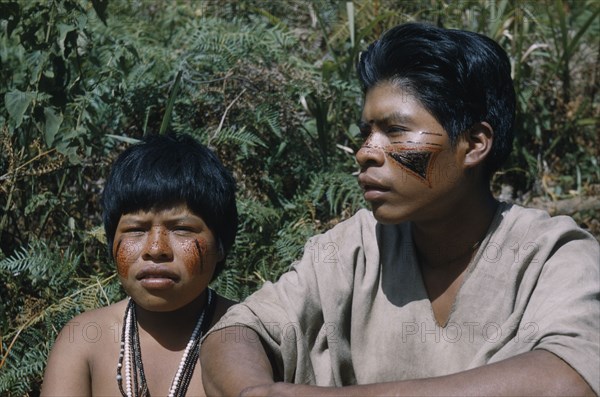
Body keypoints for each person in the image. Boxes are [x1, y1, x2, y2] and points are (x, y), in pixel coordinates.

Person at [200, 22, 599, 396]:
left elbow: (569, 378)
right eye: (366, 133)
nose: (365, 153)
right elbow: (236, 333)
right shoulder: (353, 248)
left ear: (475, 143)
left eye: (395, 131)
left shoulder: (554, 256)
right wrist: (256, 391)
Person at [41, 133, 238, 396]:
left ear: (221, 244)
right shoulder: (84, 340)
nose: (155, 249)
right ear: (112, 242)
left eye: (181, 229)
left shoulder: (246, 335)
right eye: (136, 230)